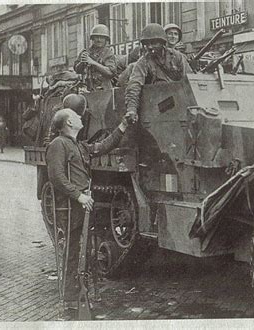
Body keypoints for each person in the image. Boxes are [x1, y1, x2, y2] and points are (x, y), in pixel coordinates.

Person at [45, 108, 132, 320]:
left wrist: (122, 126)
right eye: (75, 117)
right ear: (68, 123)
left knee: (84, 252)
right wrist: (79, 196)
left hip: (82, 205)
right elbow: (56, 176)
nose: (80, 117)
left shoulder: (78, 145)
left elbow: (102, 147)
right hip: (72, 205)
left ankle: (78, 296)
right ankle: (70, 300)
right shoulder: (58, 145)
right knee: (73, 252)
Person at [125, 23, 192, 120]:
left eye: (154, 43)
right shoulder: (143, 62)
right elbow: (134, 85)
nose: (150, 47)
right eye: (147, 44)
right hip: (157, 107)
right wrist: (131, 109)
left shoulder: (177, 57)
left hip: (180, 103)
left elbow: (189, 79)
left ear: (162, 43)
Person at [74, 24, 117, 90]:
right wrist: (82, 63)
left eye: (102, 37)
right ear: (92, 38)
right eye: (97, 37)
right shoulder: (85, 52)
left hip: (104, 89)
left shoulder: (108, 53)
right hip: (87, 88)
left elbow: (110, 72)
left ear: (106, 39)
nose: (99, 40)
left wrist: (92, 62)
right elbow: (77, 70)